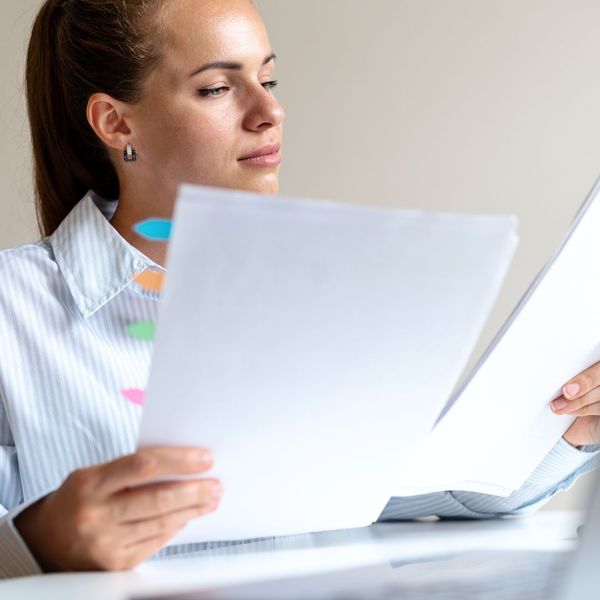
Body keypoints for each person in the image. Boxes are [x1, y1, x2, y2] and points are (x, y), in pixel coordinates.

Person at [0, 0, 598, 579]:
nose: (269, 112)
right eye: (216, 87)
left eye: (269, 79)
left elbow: (413, 496)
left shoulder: (315, 304)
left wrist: (573, 428)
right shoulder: (13, 309)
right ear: (116, 122)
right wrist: (36, 543)